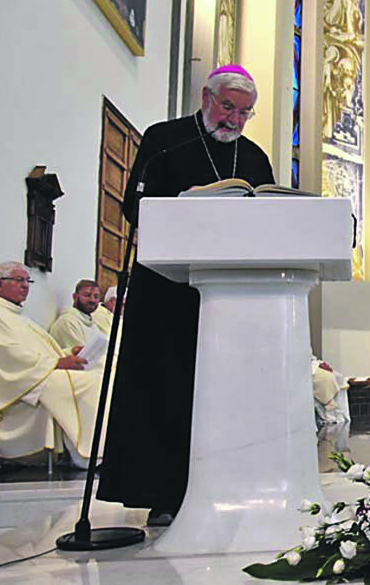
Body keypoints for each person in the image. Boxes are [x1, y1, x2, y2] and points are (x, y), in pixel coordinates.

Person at [97, 66, 275, 527]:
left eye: (244, 112)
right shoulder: (165, 140)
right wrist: (182, 199)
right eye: (228, 107)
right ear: (206, 98)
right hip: (167, 293)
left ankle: (233, 482)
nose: (234, 119)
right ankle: (163, 492)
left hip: (233, 295)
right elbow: (132, 207)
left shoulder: (253, 157)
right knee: (168, 389)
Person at [0, 262, 105, 467]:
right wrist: (58, 362)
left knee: (98, 376)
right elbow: (9, 358)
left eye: (27, 280)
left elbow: (37, 353)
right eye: (19, 280)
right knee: (91, 383)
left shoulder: (15, 316)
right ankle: (86, 453)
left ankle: (98, 447)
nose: (25, 286)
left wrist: (67, 352)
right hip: (22, 387)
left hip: (38, 375)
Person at [49, 279, 104, 352]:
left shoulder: (91, 324)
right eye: (87, 295)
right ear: (75, 297)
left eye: (96, 296)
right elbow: (82, 357)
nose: (92, 300)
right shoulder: (68, 322)